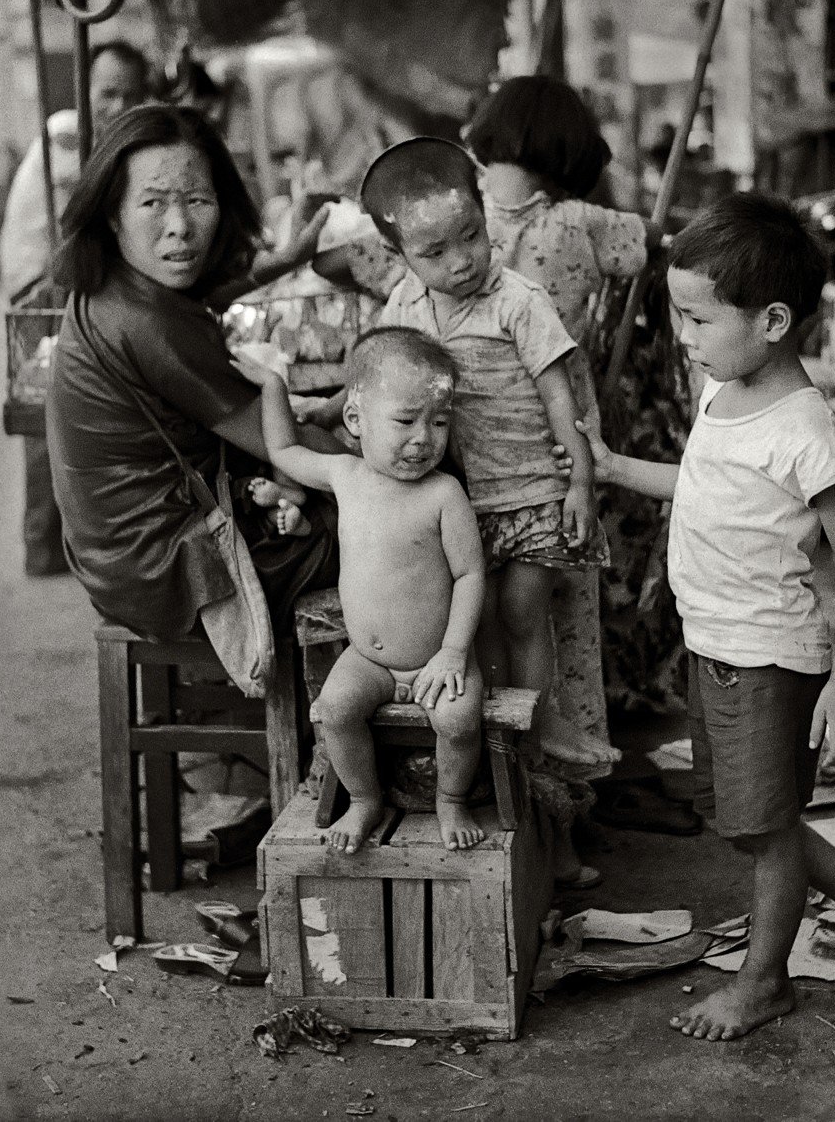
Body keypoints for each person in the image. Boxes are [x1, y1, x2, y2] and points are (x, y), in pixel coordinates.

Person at [579, 192, 835, 1039]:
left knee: (765, 832)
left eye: (696, 320)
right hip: (716, 643)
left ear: (771, 320)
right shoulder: (722, 395)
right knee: (752, 822)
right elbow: (698, 484)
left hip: (770, 656)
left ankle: (766, 981)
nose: (682, 338)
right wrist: (615, 466)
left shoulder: (803, 428)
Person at [361, 136, 598, 880]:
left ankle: (539, 716)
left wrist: (581, 482)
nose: (463, 259)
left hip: (529, 488)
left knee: (527, 606)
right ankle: (498, 757)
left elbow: (562, 392)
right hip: (461, 500)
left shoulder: (517, 299)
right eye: (436, 251)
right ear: (399, 257)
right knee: (480, 619)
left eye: (472, 234)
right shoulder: (404, 306)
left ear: (487, 211)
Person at [46, 103, 338, 645]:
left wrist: (285, 259)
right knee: (390, 523)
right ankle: (362, 710)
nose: (180, 228)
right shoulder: (151, 324)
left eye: (198, 201)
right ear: (113, 215)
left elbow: (199, 295)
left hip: (114, 554)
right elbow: (290, 447)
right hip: (170, 569)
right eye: (153, 202)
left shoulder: (113, 284)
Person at [464, 73, 663, 775]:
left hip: (469, 446)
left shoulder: (456, 221)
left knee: (477, 619)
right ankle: (562, 797)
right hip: (557, 448)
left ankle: (494, 784)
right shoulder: (585, 223)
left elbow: (344, 258)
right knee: (559, 621)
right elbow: (657, 239)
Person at [241, 326, 487, 854]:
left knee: (459, 720)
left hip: (436, 661)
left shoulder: (444, 494)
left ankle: (451, 799)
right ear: (355, 419)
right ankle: (363, 799)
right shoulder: (345, 476)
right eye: (405, 420)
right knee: (336, 709)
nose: (424, 437)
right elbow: (282, 448)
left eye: (439, 422)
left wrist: (452, 653)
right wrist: (271, 386)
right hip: (368, 661)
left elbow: (470, 575)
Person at [0, 40, 149, 575]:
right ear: (85, 90)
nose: (117, 107)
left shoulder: (95, 138)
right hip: (38, 291)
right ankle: (43, 545)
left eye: (130, 96)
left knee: (67, 408)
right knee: (45, 410)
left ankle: (64, 542)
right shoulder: (67, 135)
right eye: (107, 93)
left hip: (55, 281)